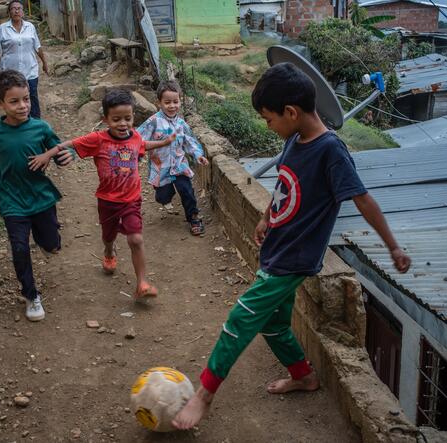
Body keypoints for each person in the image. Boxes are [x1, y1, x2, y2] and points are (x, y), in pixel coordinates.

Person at [172, 63, 412, 429]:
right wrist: (268, 216)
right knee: (274, 325)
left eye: (268, 119)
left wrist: (393, 247)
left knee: (240, 318)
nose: (267, 126)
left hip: (294, 259)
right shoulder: (292, 139)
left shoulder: (330, 150)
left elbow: (363, 199)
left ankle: (203, 395)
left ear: (291, 112)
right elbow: (284, 183)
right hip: (277, 249)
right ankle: (304, 376)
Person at [0, 70, 72, 322]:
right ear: (1, 105)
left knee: (51, 244)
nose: (23, 106)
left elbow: (58, 149)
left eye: (26, 99)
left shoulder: (41, 127)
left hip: (41, 198)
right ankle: (31, 295)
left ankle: (47, 241)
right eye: (15, 101)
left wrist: (62, 157)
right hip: (12, 201)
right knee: (19, 248)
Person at [34, 89, 175, 300]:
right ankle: (109, 251)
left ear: (133, 117)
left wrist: (164, 142)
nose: (123, 124)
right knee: (108, 236)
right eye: (116, 119)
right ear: (105, 119)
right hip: (107, 201)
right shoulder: (97, 140)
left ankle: (143, 283)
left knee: (136, 239)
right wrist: (47, 154)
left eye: (128, 118)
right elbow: (69, 144)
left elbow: (143, 144)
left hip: (131, 200)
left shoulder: (135, 136)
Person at [137, 80, 209, 236]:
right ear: (159, 103)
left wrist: (198, 155)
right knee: (163, 196)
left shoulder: (182, 124)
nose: (172, 106)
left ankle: (194, 218)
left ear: (180, 101)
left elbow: (190, 142)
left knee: (187, 191)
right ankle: (164, 197)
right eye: (167, 102)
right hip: (160, 168)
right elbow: (137, 139)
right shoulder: (153, 122)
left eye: (175, 102)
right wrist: (134, 154)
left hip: (179, 165)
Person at [0, 0, 48, 119]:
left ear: (23, 12)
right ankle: (17, 124)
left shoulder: (30, 27)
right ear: (9, 12)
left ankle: (35, 125)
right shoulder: (3, 28)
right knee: (13, 98)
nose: (16, 10)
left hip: (30, 71)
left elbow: (37, 46)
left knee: (32, 97)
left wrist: (44, 63)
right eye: (13, 8)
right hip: (10, 73)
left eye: (19, 8)